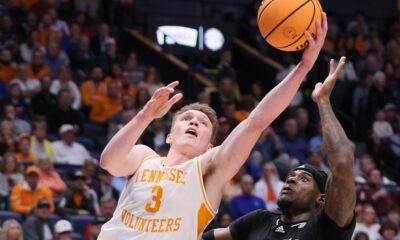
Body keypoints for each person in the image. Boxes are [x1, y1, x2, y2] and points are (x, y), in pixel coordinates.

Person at [98, 13, 328, 239]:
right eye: (187, 118)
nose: (194, 121)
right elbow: (109, 162)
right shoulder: (144, 156)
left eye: (203, 123)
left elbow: (255, 122)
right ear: (169, 136)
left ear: (209, 147)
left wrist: (303, 68)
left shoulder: (208, 170)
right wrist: (145, 116)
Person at [203, 57, 356, 239]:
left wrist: (323, 101)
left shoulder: (326, 226)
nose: (290, 180)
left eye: (304, 179)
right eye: (291, 176)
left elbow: (343, 161)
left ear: (322, 199)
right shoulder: (259, 221)